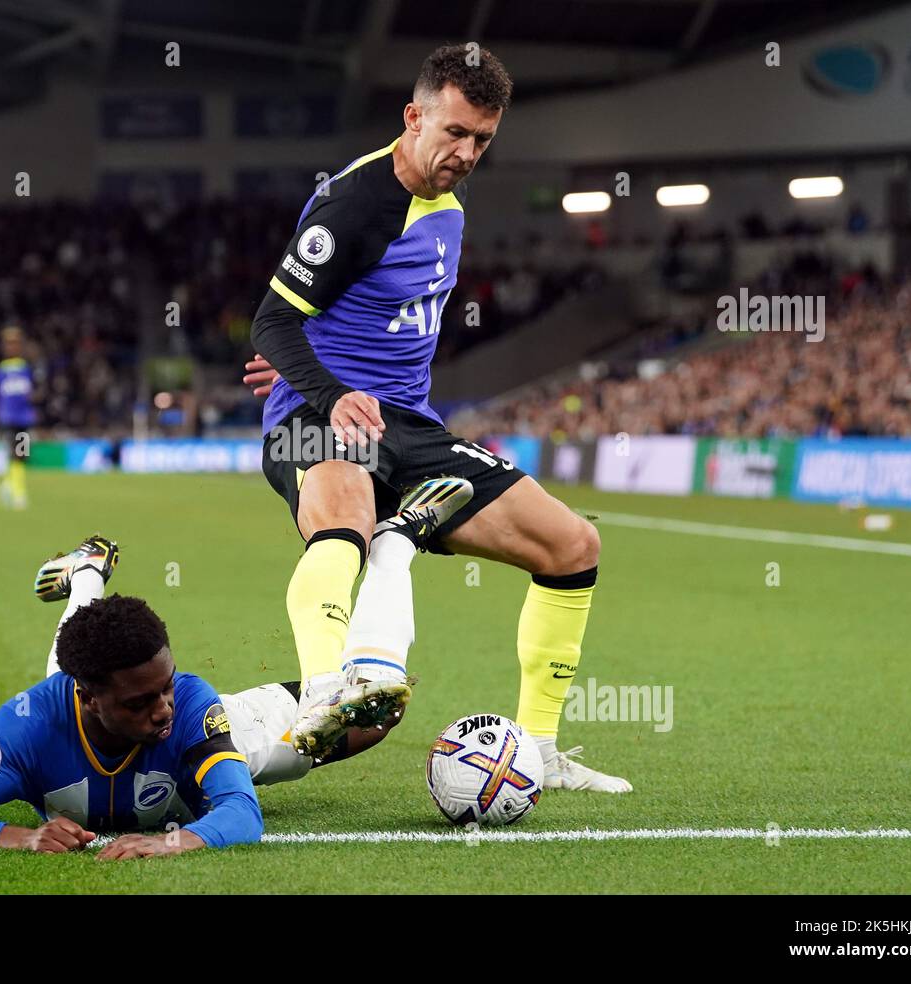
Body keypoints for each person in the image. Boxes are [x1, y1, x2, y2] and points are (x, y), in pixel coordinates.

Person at [246, 43, 631, 792]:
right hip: (317, 417)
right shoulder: (355, 203)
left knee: (572, 544)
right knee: (345, 517)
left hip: (409, 425)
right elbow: (271, 321)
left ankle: (541, 752)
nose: (466, 152)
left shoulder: (448, 208)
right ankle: (327, 693)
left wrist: (319, 354)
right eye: (454, 132)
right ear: (413, 116)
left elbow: (344, 320)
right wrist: (324, 389)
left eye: (482, 139)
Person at [0, 537, 399, 857]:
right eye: (140, 702)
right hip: (75, 704)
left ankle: (395, 540)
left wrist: (176, 842)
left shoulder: (186, 707)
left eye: (163, 686)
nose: (161, 707)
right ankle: (86, 573)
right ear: (90, 700)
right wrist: (21, 837)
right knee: (69, 670)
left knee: (371, 717)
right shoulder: (27, 727)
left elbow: (241, 811)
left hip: (228, 731)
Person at [0, 325, 37, 510]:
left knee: (22, 454)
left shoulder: (26, 367)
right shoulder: (2, 369)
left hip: (24, 417)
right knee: (16, 453)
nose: (11, 347)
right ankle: (19, 493)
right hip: (8, 416)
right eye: (9, 343)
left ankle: (7, 484)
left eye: (15, 343)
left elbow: (31, 391)